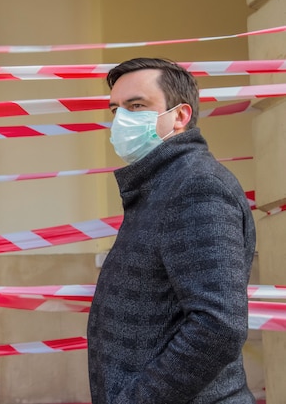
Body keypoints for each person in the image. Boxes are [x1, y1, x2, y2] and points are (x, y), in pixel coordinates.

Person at [87, 57, 256, 403]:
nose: (122, 120)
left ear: (180, 116)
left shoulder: (197, 186)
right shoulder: (161, 184)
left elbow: (218, 327)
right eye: (115, 109)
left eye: (136, 105)